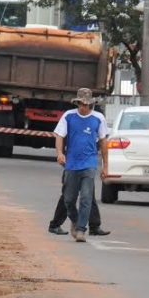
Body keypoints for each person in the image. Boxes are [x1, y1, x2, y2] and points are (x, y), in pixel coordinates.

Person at [47, 88, 108, 242]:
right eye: (80, 103)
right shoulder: (69, 116)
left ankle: (81, 230)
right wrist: (60, 153)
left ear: (91, 105)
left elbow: (103, 141)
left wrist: (105, 165)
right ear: (77, 103)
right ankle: (74, 220)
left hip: (89, 163)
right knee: (68, 199)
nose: (83, 107)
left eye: (86, 104)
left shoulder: (98, 118)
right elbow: (60, 135)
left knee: (87, 197)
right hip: (71, 164)